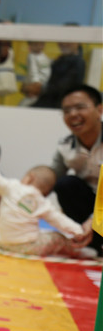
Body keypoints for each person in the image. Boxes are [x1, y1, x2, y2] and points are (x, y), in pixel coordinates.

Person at [0, 161, 90, 258]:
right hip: (29, 248)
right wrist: (78, 230)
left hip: (4, 243)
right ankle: (77, 251)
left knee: (40, 231)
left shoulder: (11, 187)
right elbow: (59, 220)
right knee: (57, 237)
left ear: (29, 177)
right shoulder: (42, 202)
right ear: (46, 193)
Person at [50, 84, 103, 254]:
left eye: (80, 107)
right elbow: (49, 178)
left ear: (100, 110)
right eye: (66, 110)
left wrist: (94, 219)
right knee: (65, 184)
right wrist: (13, 192)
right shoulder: (65, 146)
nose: (73, 114)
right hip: (91, 205)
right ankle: (91, 243)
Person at [32, 29, 87, 109]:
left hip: (55, 108)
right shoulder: (60, 60)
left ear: (78, 41)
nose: (63, 43)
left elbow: (63, 88)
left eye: (68, 40)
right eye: (61, 39)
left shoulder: (77, 62)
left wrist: (40, 88)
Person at [19, 41, 52, 107]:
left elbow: (47, 67)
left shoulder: (43, 55)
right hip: (35, 83)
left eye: (41, 44)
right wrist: (35, 83)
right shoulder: (31, 56)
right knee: (30, 100)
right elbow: (33, 70)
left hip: (44, 82)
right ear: (30, 46)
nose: (38, 47)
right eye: (35, 44)